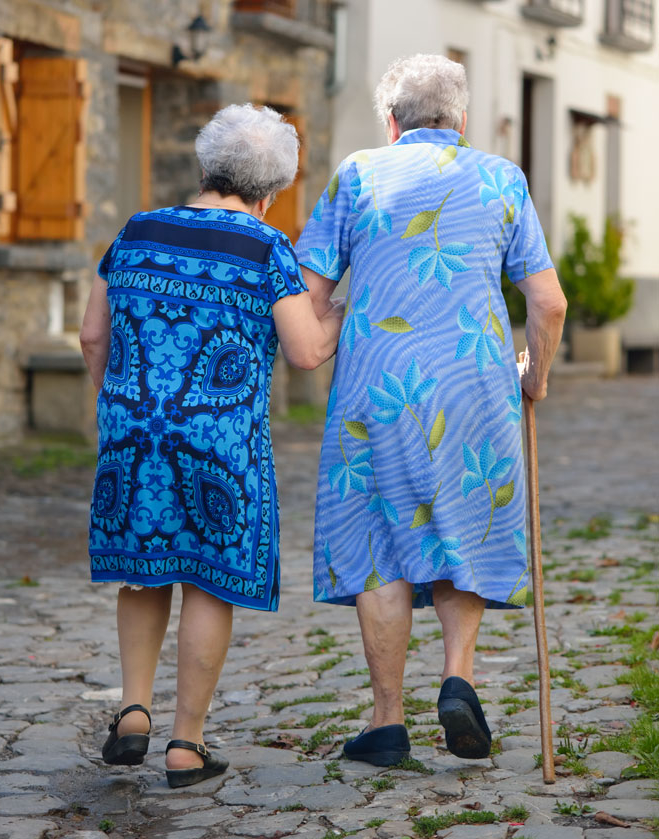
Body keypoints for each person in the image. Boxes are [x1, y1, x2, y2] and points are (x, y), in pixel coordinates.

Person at [295, 54, 567, 765]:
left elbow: (309, 294)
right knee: (461, 524)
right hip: (473, 381)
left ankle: (386, 720)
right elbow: (548, 300)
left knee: (378, 541)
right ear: (461, 120)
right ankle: (458, 677)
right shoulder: (501, 177)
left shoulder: (357, 173)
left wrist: (337, 328)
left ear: (391, 123)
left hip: (373, 384)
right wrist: (534, 375)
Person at [80, 104, 343, 787]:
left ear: (202, 167)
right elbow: (307, 350)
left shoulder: (137, 231)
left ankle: (133, 709)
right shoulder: (264, 249)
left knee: (143, 568)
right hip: (217, 447)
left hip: (134, 433)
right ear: (269, 193)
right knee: (206, 578)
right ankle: (185, 743)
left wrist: (120, 400)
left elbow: (90, 334)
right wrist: (348, 306)